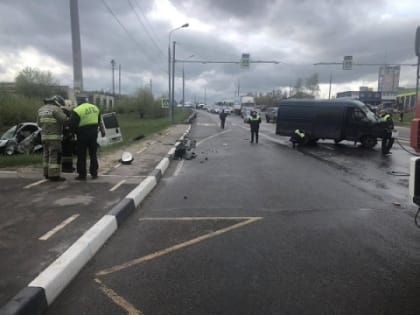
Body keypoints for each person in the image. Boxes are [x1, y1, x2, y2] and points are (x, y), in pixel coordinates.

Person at [70, 95, 106, 180]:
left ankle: (82, 175)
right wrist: (102, 131)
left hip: (82, 134)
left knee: (81, 155)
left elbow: (73, 124)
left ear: (78, 101)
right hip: (93, 134)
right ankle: (94, 173)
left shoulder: (77, 110)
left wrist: (74, 134)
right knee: (93, 154)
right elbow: (99, 121)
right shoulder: (95, 108)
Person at [37, 95, 68, 181]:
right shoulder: (56, 109)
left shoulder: (41, 109)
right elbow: (64, 120)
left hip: (44, 137)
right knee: (55, 155)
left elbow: (39, 124)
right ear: (57, 102)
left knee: (46, 155)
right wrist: (65, 113)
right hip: (54, 138)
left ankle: (46, 173)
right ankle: (54, 175)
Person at [61, 100, 76, 173]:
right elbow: (69, 124)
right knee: (67, 153)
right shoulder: (66, 113)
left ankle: (68, 166)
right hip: (67, 136)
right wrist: (70, 134)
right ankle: (67, 168)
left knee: (67, 153)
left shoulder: (62, 112)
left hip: (65, 135)